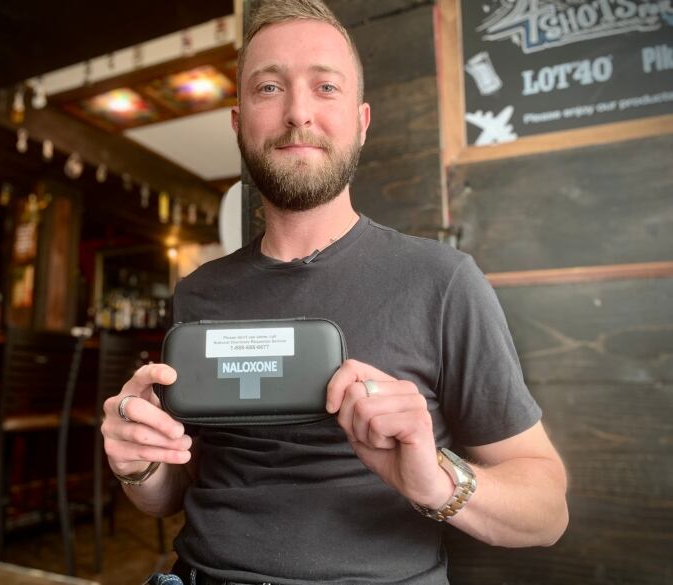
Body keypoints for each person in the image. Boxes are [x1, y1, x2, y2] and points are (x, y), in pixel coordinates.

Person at [101, 1, 569, 583]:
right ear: (239, 120)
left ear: (361, 119)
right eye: (269, 88)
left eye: (325, 86)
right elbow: (177, 491)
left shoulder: (442, 280)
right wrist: (139, 465)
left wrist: (434, 480)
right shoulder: (200, 292)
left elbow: (547, 513)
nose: (298, 113)